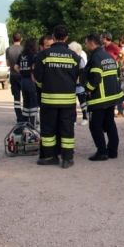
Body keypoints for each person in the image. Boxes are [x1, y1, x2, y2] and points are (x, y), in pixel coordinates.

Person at [33, 26, 81, 169]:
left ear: (53, 37)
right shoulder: (74, 56)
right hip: (68, 100)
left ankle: (50, 156)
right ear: (66, 37)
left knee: (48, 130)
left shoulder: (44, 55)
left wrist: (46, 86)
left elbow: (38, 78)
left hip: (49, 99)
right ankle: (67, 158)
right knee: (67, 129)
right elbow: (77, 77)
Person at [83, 34, 124, 161]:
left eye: (86, 43)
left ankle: (101, 152)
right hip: (112, 97)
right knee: (110, 123)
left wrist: (88, 89)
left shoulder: (96, 57)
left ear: (91, 43)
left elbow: (95, 77)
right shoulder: (108, 56)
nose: (85, 45)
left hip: (99, 98)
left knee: (95, 125)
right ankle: (112, 151)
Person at [15, 39, 38, 125]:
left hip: (23, 81)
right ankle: (32, 123)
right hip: (30, 80)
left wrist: (22, 71)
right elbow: (34, 68)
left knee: (26, 102)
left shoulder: (22, 55)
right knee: (33, 103)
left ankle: (25, 123)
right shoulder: (34, 55)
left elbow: (15, 67)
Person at [101, 32, 124, 117]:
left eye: (102, 37)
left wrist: (116, 61)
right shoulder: (103, 47)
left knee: (116, 90)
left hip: (114, 71)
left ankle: (120, 111)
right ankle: (110, 110)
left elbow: (123, 54)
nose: (100, 39)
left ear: (105, 38)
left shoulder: (113, 46)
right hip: (106, 71)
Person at [68, 41, 89, 126]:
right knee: (72, 103)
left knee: (82, 101)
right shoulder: (69, 59)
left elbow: (83, 72)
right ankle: (74, 120)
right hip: (71, 84)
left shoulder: (80, 59)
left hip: (79, 84)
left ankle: (85, 117)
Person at [6, 32, 24, 122]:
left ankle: (19, 117)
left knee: (16, 98)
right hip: (23, 75)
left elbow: (7, 63)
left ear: (12, 39)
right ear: (21, 39)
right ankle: (26, 116)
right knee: (26, 96)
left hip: (13, 75)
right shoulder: (24, 49)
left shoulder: (8, 49)